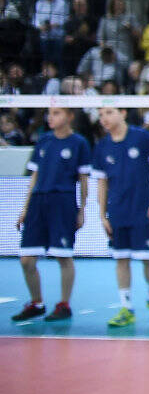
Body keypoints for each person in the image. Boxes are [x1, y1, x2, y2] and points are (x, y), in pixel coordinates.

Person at [12, 106, 91, 322]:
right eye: (50, 113)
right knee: (26, 259)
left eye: (57, 113)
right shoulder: (44, 141)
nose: (51, 117)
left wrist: (82, 210)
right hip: (38, 202)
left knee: (63, 255)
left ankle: (64, 304)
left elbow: (83, 180)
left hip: (63, 202)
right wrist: (25, 208)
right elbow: (34, 176)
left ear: (69, 116)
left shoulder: (79, 143)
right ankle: (36, 303)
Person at [92, 105, 149, 328]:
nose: (104, 118)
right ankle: (126, 307)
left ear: (122, 113)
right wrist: (102, 215)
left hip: (143, 209)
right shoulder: (102, 146)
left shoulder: (142, 137)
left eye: (109, 112)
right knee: (121, 259)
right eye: (101, 115)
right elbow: (102, 182)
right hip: (117, 211)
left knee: (148, 257)